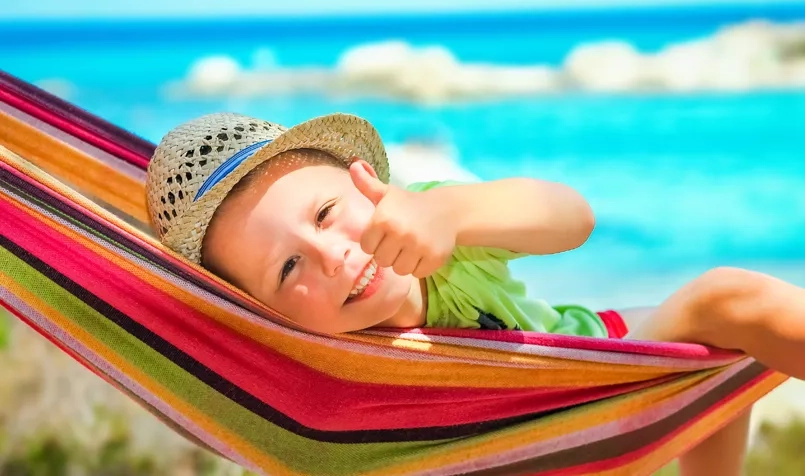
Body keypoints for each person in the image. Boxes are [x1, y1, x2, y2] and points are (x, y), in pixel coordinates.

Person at [146, 112, 805, 476]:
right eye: (289, 267)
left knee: (728, 310)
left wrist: (455, 214)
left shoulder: (433, 219)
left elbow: (571, 216)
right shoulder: (314, 372)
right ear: (266, 312)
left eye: (324, 214)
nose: (332, 254)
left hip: (596, 364)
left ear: (365, 181)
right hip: (546, 441)